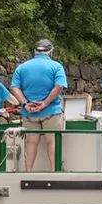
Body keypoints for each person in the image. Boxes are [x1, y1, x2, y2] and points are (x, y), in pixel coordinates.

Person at [10, 39, 69, 171]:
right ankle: (55, 171)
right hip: (51, 110)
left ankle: (28, 172)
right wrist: (45, 103)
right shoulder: (56, 67)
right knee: (52, 142)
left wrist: (25, 104)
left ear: (35, 51)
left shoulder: (22, 67)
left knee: (31, 142)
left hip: (29, 112)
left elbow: (14, 87)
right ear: (50, 52)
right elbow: (59, 86)